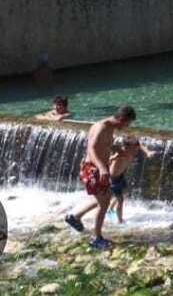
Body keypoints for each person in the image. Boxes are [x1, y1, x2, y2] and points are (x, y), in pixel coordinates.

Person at [65, 106, 137, 250]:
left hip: (96, 168)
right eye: (127, 124)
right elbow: (91, 149)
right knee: (104, 204)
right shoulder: (102, 128)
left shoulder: (108, 127)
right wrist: (103, 168)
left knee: (104, 198)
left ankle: (75, 217)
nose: (127, 127)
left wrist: (118, 150)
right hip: (94, 169)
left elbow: (104, 145)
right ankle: (96, 239)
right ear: (122, 119)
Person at [108, 136, 153, 224]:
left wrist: (148, 152)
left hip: (120, 175)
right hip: (113, 178)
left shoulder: (131, 150)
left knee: (124, 193)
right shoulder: (121, 153)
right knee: (120, 200)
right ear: (127, 146)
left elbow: (140, 146)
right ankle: (120, 221)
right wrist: (111, 158)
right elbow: (111, 154)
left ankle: (111, 208)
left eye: (137, 145)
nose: (137, 147)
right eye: (135, 146)